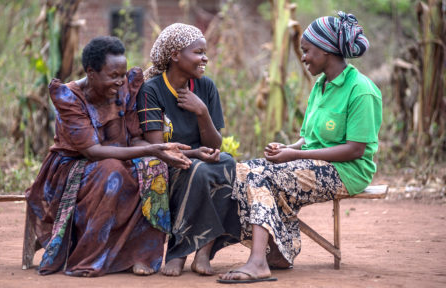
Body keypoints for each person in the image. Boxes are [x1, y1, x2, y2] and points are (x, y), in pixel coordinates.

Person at [219, 12, 381, 283]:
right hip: (313, 163)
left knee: (264, 176)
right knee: (243, 170)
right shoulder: (321, 85)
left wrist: (295, 156)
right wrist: (287, 148)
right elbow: (307, 138)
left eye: (306, 51)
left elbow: (355, 149)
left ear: (327, 50)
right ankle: (279, 251)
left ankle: (259, 261)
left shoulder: (361, 90)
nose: (303, 57)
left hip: (347, 171)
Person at [25, 36, 192, 277]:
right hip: (73, 168)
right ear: (91, 72)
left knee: (153, 167)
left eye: (122, 74)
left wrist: (160, 153)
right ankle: (90, 258)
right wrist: (150, 150)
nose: (120, 81)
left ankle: (139, 254)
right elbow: (92, 152)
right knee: (112, 170)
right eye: (112, 75)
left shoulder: (125, 89)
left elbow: (135, 138)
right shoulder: (70, 98)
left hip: (121, 160)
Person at [137, 23, 241, 276]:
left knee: (227, 162)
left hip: (199, 162)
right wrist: (194, 154)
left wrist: (202, 111)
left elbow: (214, 145)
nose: (205, 58)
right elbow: (157, 146)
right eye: (198, 52)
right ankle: (181, 252)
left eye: (205, 53)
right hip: (166, 164)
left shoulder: (206, 88)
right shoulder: (152, 90)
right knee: (201, 170)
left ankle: (203, 252)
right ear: (175, 55)